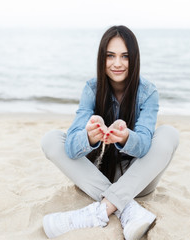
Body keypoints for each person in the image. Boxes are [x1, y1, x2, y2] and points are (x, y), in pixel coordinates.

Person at [41, 25, 179, 240]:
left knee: (169, 134)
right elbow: (70, 148)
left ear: (134, 59)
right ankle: (126, 209)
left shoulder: (148, 92)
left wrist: (125, 137)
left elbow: (143, 144)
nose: (117, 63)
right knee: (51, 139)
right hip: (98, 178)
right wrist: (88, 136)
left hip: (137, 182)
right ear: (101, 58)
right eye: (110, 56)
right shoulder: (91, 89)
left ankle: (103, 209)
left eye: (125, 56)